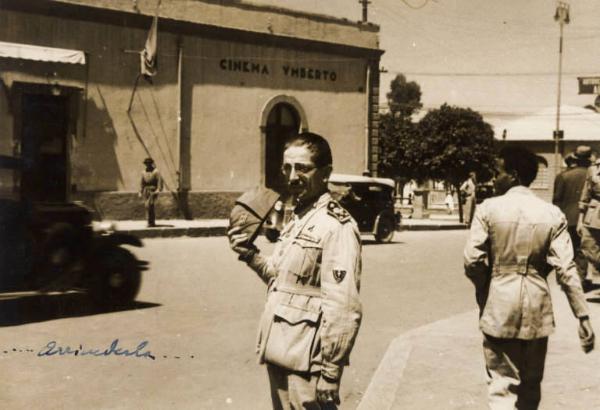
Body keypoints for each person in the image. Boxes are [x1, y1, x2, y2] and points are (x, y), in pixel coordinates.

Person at [228, 132, 362, 409]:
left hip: (309, 361)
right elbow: (279, 277)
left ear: (325, 173)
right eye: (287, 168)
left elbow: (344, 305)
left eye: (302, 168)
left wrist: (330, 371)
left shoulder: (337, 226)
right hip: (279, 347)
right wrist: (247, 252)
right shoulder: (299, 217)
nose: (291, 176)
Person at [464, 146, 594, 410]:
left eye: (498, 172)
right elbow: (567, 270)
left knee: (502, 387)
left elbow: (472, 260)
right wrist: (582, 315)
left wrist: (485, 288)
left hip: (500, 302)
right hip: (538, 306)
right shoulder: (551, 214)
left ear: (512, 175)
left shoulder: (488, 209)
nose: (494, 178)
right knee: (531, 385)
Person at [553, 146, 592, 288]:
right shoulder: (593, 175)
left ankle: (566, 279)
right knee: (582, 251)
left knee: (566, 250)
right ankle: (580, 280)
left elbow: (556, 200)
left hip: (566, 217)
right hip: (587, 218)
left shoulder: (563, 176)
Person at [139, 157, 163, 227]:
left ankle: (150, 222)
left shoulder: (156, 171)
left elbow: (159, 181)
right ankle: (151, 222)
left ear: (151, 163)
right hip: (146, 191)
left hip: (153, 190)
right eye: (146, 163)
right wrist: (140, 191)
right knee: (149, 207)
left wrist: (158, 189)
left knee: (148, 205)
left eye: (149, 163)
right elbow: (142, 183)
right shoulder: (143, 172)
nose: (148, 165)